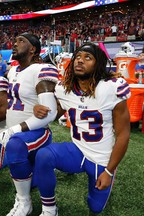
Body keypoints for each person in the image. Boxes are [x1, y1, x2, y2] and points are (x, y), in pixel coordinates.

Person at [33, 42, 131, 215]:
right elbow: (54, 113)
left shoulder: (111, 89)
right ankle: (49, 209)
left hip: (101, 159)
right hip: (77, 150)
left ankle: (108, 175)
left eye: (88, 58)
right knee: (44, 155)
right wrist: (38, 108)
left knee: (95, 208)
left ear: (98, 64)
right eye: (77, 57)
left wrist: (108, 171)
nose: (80, 61)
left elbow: (123, 135)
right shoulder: (65, 89)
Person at [0, 33, 59, 216]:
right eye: (14, 41)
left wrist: (16, 129)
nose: (15, 44)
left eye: (21, 41)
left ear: (33, 49)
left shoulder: (42, 69)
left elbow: (50, 113)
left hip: (37, 132)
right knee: (20, 166)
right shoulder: (13, 71)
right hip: (17, 133)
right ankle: (30, 185)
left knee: (15, 146)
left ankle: (25, 202)